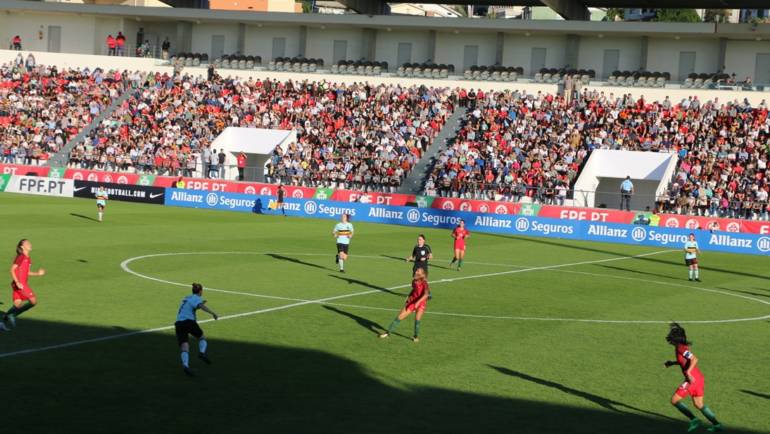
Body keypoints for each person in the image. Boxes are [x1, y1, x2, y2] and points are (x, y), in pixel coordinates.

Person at [664, 323, 722, 432]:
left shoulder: (680, 347)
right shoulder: (681, 347)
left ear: (674, 338)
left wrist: (689, 373)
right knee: (699, 404)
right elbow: (685, 361)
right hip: (699, 378)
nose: (669, 339)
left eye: (670, 337)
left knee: (674, 400)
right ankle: (717, 425)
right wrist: (673, 363)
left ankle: (694, 419)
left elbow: (694, 359)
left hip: (692, 379)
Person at [175, 283, 218, 377]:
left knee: (184, 345)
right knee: (202, 338)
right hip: (189, 322)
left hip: (178, 323)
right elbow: (201, 306)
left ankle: (185, 366)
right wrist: (212, 313)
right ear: (200, 291)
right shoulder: (197, 298)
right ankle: (202, 353)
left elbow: (192, 306)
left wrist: (200, 304)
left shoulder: (187, 297)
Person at [379, 268, 430, 343]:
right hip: (412, 302)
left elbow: (426, 295)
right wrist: (409, 296)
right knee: (399, 317)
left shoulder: (424, 283)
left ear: (422, 274)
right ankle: (387, 333)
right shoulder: (414, 281)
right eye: (416, 270)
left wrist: (418, 302)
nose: (416, 271)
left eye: (418, 271)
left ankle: (415, 336)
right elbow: (414, 289)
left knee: (417, 319)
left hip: (421, 302)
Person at [3, 239, 45, 329]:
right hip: (20, 284)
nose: (30, 244)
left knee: (18, 304)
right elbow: (12, 269)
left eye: (30, 242)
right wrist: (18, 282)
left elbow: (27, 272)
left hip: (19, 283)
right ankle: (12, 315)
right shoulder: (21, 256)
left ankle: (6, 317)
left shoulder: (27, 258)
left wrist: (37, 274)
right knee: (33, 301)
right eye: (27, 243)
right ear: (22, 247)